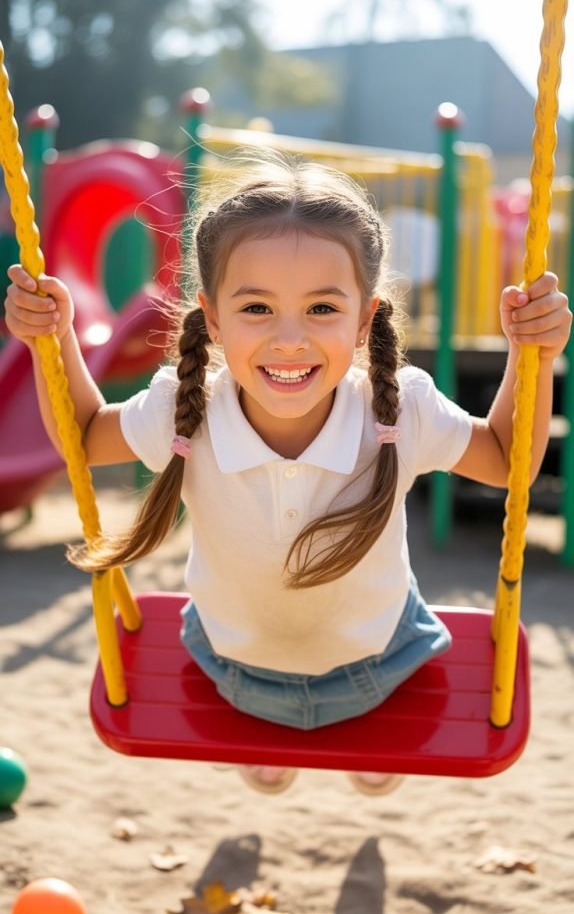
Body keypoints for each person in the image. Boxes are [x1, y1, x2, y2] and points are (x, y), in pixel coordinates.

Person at [5, 154, 572, 796]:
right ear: (212, 316)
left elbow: (506, 458)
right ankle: (325, 743)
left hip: (380, 666)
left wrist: (535, 356)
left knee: (365, 749)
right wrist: (52, 341)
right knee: (319, 749)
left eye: (323, 309)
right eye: (256, 309)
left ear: (365, 319)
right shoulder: (185, 410)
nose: (290, 340)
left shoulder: (397, 408)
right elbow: (82, 442)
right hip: (236, 671)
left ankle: (350, 747)